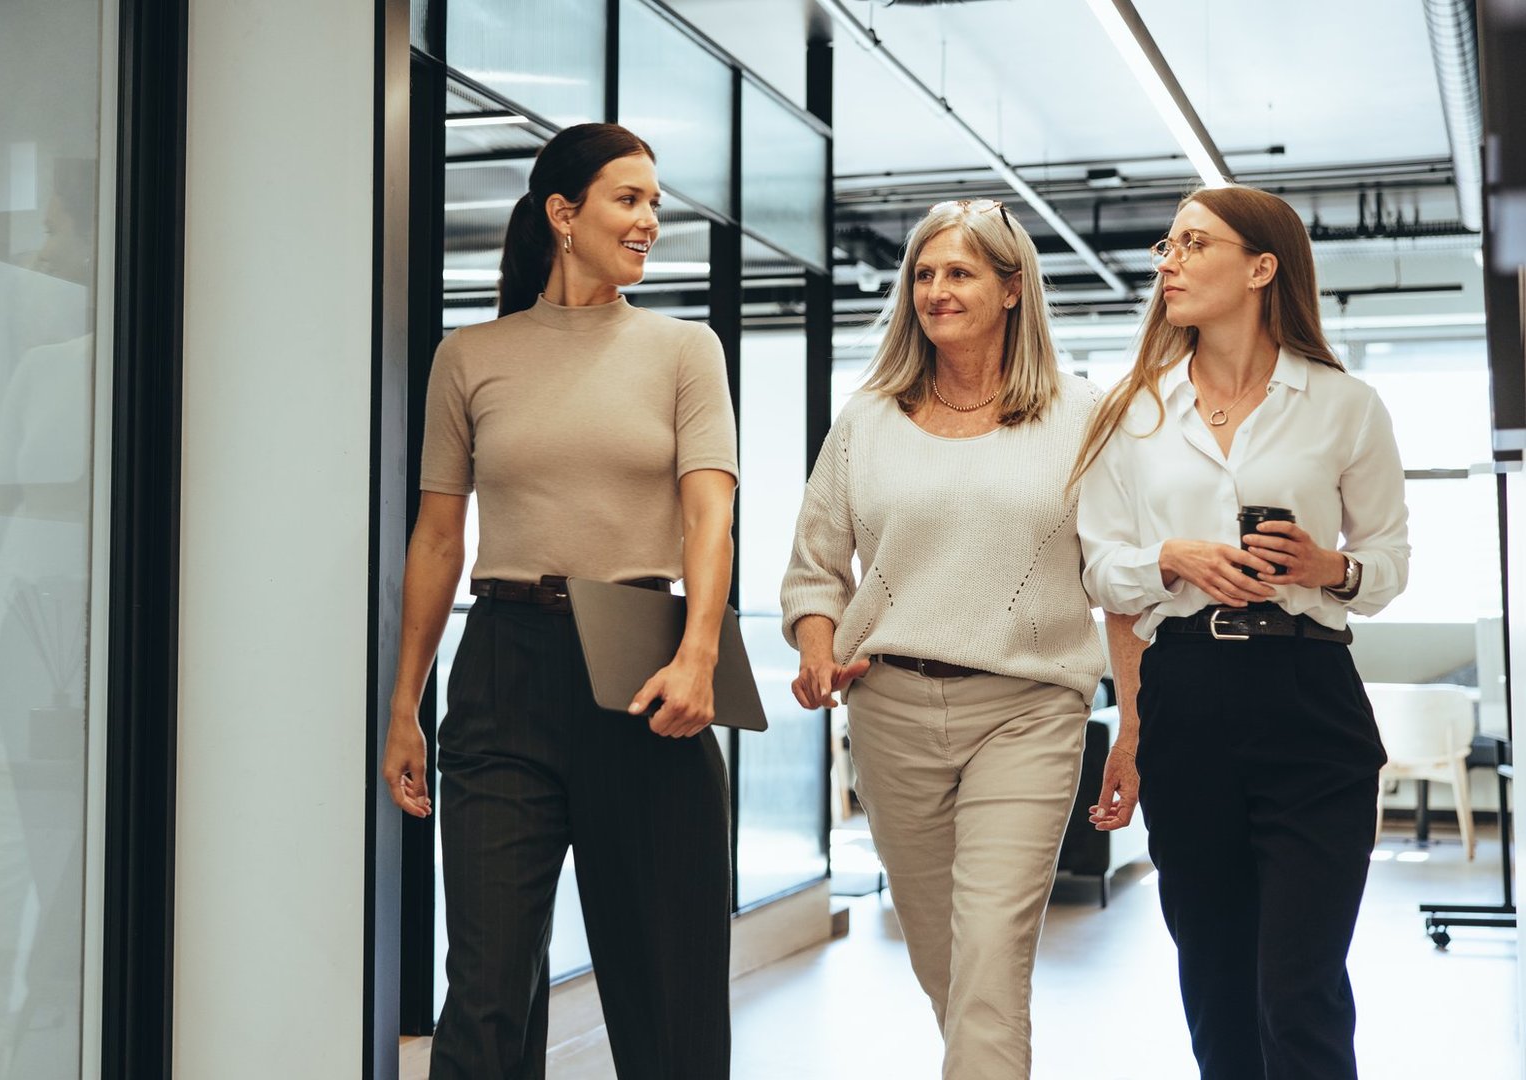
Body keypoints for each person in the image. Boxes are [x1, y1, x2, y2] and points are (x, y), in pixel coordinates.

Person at [380, 122, 736, 1080]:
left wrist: (700, 652)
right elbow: (438, 539)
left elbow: (710, 519)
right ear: (562, 215)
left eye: (656, 202)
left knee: (665, 991)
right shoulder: (470, 356)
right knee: (488, 988)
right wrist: (404, 704)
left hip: (640, 665)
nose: (651, 220)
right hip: (503, 668)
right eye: (630, 200)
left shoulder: (683, 351)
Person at [1074, 184, 1410, 1079]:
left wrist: (1324, 567)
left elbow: (1387, 562)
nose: (1167, 262)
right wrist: (1171, 558)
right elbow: (1099, 571)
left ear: (1261, 268)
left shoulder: (1344, 404)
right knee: (1215, 978)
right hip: (1185, 692)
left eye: (1192, 244)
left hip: (1310, 697)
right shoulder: (1131, 413)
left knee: (1298, 984)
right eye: (1165, 247)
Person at [781, 199, 1103, 1078]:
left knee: (991, 953)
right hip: (889, 713)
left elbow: (1120, 580)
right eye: (922, 275)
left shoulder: (1080, 416)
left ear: (1011, 288)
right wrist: (816, 646)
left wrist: (1137, 727)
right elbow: (815, 569)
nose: (934, 290)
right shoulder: (867, 420)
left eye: (957, 273)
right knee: (942, 960)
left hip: (1029, 711)